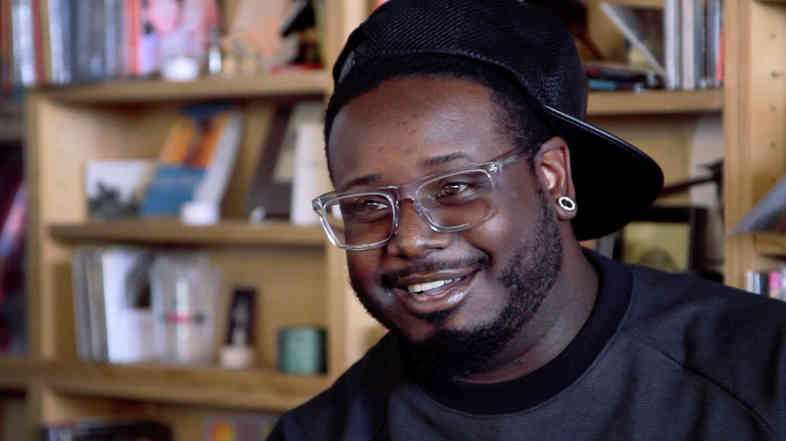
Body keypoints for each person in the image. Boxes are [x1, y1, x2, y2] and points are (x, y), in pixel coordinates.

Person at [267, 1, 786, 440]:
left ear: (552, 176)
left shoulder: (765, 373)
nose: (410, 238)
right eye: (367, 205)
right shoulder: (319, 431)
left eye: (455, 188)